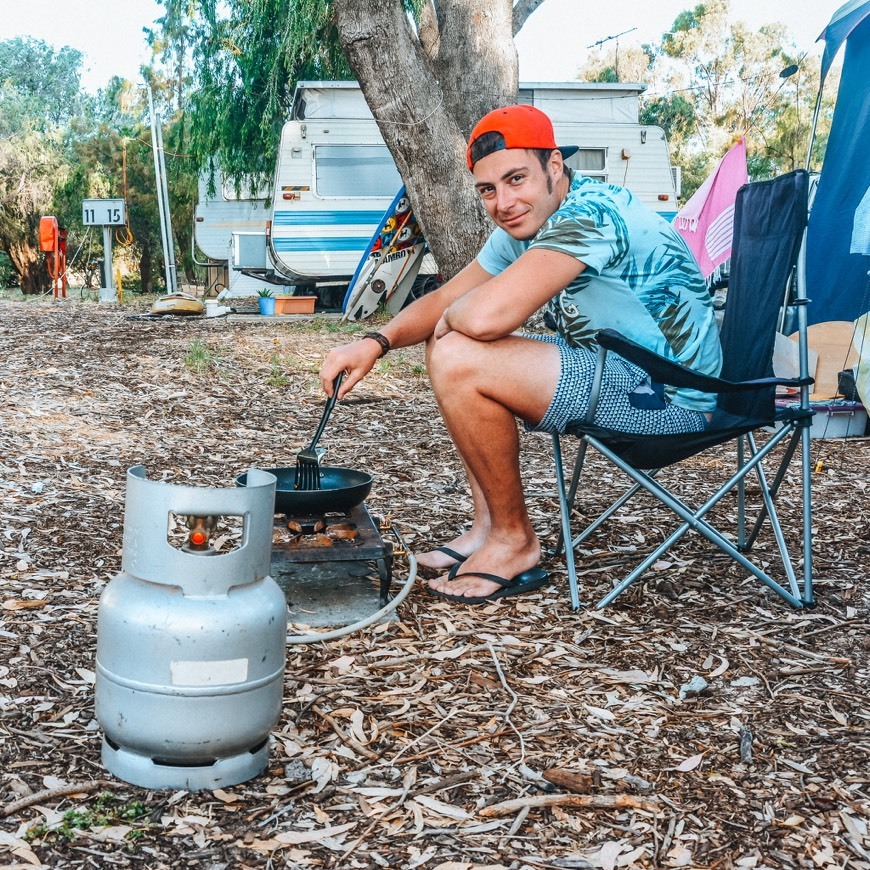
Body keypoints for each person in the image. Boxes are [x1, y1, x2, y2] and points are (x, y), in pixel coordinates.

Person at [319, 104, 722, 605]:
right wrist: (374, 343)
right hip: (619, 368)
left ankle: (515, 542)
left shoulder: (592, 213)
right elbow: (447, 299)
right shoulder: (533, 223)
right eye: (488, 189)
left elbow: (486, 318)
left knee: (461, 354)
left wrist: (454, 321)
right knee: (450, 342)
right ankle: (487, 527)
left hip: (672, 397)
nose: (504, 202)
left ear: (554, 167)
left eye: (516, 179)